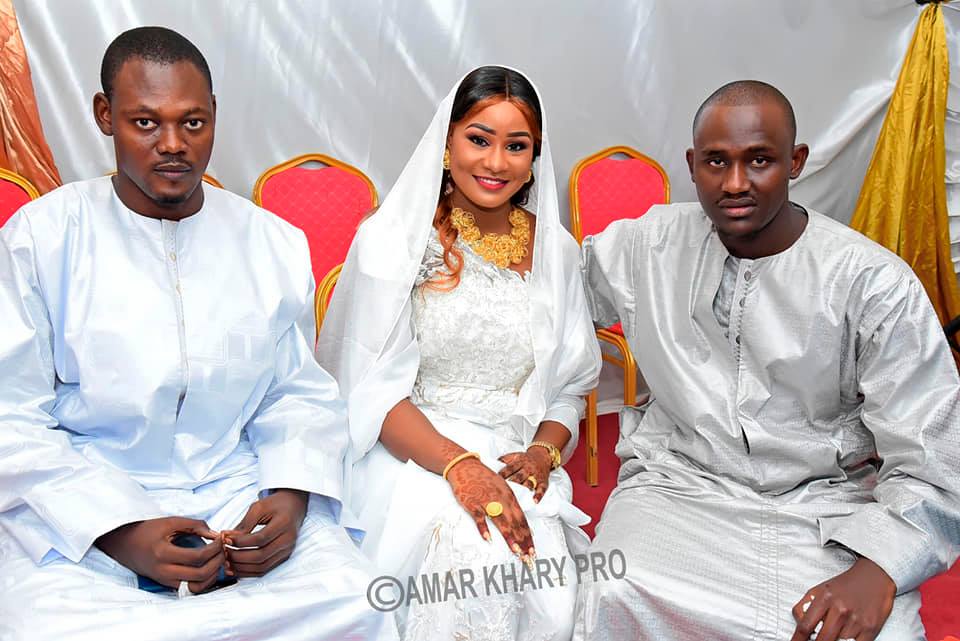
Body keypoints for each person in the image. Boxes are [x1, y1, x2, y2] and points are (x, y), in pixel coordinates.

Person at [0, 26, 396, 641]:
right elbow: (12, 416)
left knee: (358, 604)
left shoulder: (269, 243)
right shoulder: (41, 240)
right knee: (47, 627)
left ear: (214, 116)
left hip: (234, 492)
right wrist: (119, 531)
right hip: (91, 492)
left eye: (192, 123)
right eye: (145, 123)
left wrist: (289, 500)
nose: (172, 146)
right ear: (105, 117)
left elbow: (294, 393)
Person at [574, 80, 960, 641]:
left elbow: (935, 454)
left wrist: (878, 570)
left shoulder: (871, 283)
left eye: (759, 160)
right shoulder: (649, 244)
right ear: (692, 165)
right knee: (608, 591)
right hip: (678, 485)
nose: (735, 183)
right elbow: (546, 296)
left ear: (795, 161)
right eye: (715, 162)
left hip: (824, 505)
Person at [316, 66, 601, 641]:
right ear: (446, 144)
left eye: (516, 146)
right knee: (475, 549)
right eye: (479, 139)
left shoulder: (557, 252)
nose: (496, 163)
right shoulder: (393, 241)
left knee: (540, 560)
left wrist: (545, 452)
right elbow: (368, 387)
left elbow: (571, 383)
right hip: (411, 447)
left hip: (516, 450)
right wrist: (458, 465)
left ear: (534, 158)